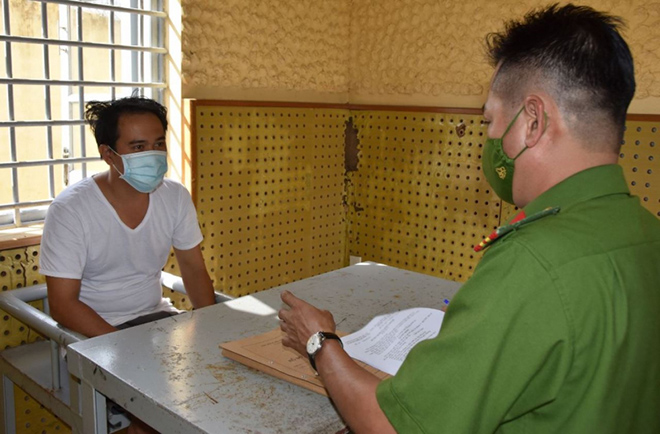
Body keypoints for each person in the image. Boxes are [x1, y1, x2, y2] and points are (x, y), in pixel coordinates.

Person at [279, 4, 660, 433]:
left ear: (532, 122)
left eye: (491, 121)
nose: (490, 138)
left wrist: (319, 341)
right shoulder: (648, 234)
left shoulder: (531, 263)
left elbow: (391, 426)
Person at [40, 96, 216, 433]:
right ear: (108, 154)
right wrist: (127, 348)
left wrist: (211, 327)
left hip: (156, 321)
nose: (153, 154)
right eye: (138, 147)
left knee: (215, 388)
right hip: (93, 334)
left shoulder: (175, 197)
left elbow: (194, 270)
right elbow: (63, 305)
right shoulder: (70, 210)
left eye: (159, 144)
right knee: (161, 411)